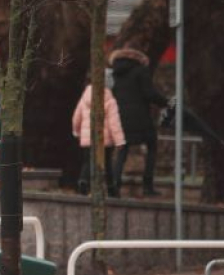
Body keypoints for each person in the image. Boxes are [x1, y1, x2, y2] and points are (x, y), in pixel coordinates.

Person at [108, 46, 169, 196]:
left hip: (120, 116)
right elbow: (149, 93)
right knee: (152, 146)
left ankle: (115, 185)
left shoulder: (115, 74)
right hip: (140, 117)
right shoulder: (140, 71)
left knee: (122, 149)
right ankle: (147, 186)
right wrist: (166, 102)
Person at [70, 81, 124, 196]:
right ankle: (110, 188)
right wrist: (119, 140)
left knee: (87, 161)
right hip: (104, 139)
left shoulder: (85, 97)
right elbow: (114, 123)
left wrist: (76, 131)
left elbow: (76, 116)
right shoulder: (109, 99)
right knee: (107, 163)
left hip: (87, 138)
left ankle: (83, 182)